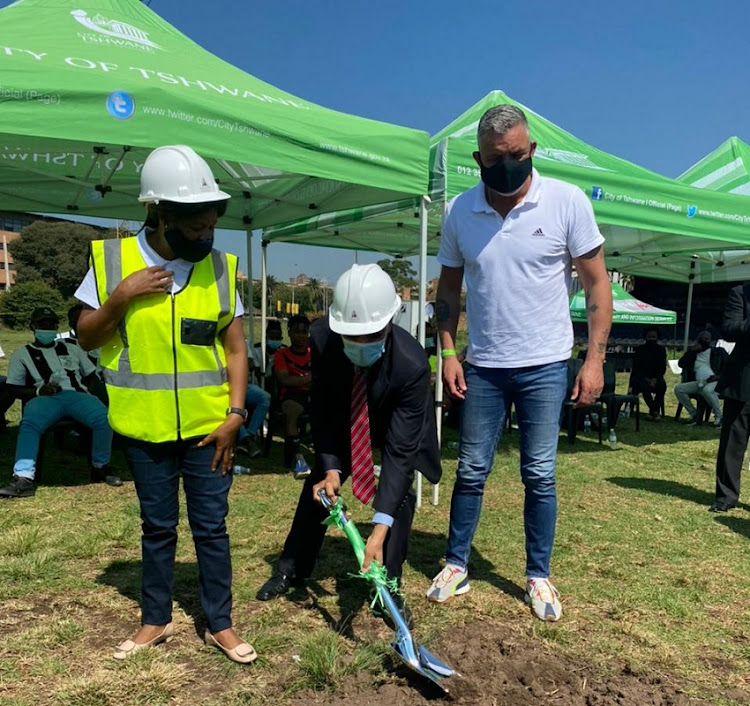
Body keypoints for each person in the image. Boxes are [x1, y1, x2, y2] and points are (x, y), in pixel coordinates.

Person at [427, 104, 612, 622]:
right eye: (495, 158)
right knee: (471, 469)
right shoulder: (460, 211)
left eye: (516, 155)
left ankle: (538, 574)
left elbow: (598, 283)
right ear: (478, 159)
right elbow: (447, 289)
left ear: (531, 151)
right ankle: (456, 563)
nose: (507, 164)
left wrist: (593, 360)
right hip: (483, 364)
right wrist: (446, 351)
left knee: (539, 474)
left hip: (547, 364)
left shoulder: (566, 203)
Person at [74, 145, 255, 664]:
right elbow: (87, 338)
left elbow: (236, 347)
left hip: (209, 429)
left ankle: (220, 622)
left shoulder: (220, 268)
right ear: (158, 213)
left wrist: (236, 415)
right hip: (144, 430)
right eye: (192, 227)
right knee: (157, 528)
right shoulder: (112, 263)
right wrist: (121, 297)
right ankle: (155, 619)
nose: (204, 236)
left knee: (211, 527)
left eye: (209, 225)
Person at [256, 264, 441, 618]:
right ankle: (290, 568)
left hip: (392, 426)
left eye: (369, 335)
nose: (359, 343)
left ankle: (389, 582)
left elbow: (401, 454)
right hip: (345, 417)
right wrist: (331, 467)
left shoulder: (412, 365)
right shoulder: (323, 338)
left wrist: (379, 525)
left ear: (390, 322)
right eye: (351, 336)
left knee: (398, 496)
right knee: (320, 488)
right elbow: (323, 408)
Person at [0, 307, 120, 498]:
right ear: (33, 327)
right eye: (42, 324)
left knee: (105, 419)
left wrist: (86, 391)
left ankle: (100, 466)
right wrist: (39, 390)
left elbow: (90, 374)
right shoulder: (22, 354)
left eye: (52, 324)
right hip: (44, 398)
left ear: (57, 327)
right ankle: (23, 478)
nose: (47, 328)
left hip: (77, 395)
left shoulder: (72, 347)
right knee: (29, 425)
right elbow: (13, 387)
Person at [710, 284, 750, 513]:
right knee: (733, 441)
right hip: (743, 378)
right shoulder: (741, 293)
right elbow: (729, 329)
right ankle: (726, 495)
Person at [274, 315, 312, 479]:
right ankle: (297, 458)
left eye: (304, 332)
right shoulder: (281, 354)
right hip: (291, 395)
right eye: (297, 332)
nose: (301, 336)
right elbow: (285, 379)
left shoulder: (314, 353)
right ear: (289, 333)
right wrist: (309, 378)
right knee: (291, 411)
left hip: (312, 393)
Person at [674, 331, 727, 427]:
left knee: (707, 390)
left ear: (711, 341)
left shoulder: (718, 352)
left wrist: (718, 377)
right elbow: (681, 364)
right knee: (679, 389)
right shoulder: (693, 353)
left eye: (706, 339)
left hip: (715, 381)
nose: (704, 341)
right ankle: (694, 414)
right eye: (702, 339)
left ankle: (719, 417)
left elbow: (729, 367)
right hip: (699, 382)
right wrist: (691, 351)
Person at [629, 326, 668, 421]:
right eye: (649, 337)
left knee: (662, 386)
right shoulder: (639, 350)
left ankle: (652, 412)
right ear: (645, 337)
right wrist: (647, 379)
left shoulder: (661, 350)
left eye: (653, 337)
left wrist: (655, 379)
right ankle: (654, 411)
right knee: (644, 386)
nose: (651, 339)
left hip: (656, 377)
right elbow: (636, 368)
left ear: (657, 337)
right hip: (640, 378)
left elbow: (662, 368)